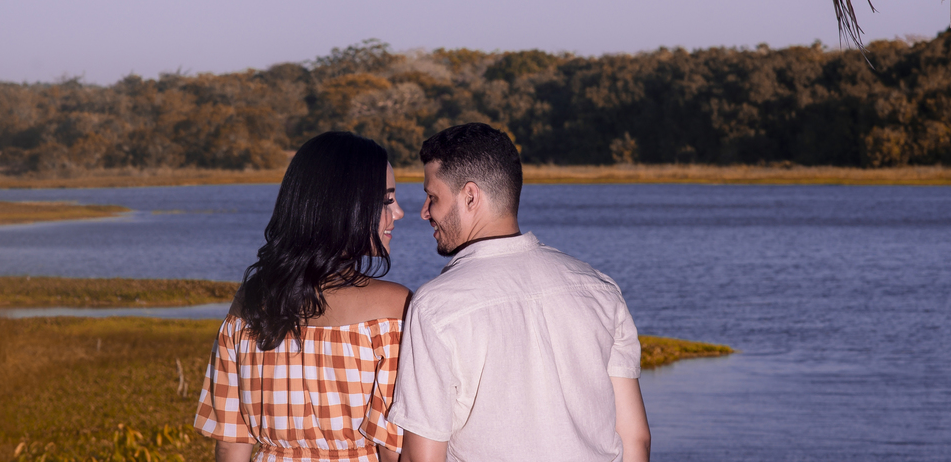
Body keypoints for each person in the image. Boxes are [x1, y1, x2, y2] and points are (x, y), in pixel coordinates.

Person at [388, 123, 650, 462]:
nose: (425, 212)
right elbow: (635, 440)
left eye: (432, 197)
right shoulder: (600, 289)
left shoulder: (435, 307)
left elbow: (421, 458)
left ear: (470, 196)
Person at [194, 131, 409, 462]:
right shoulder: (392, 308)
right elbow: (393, 449)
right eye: (385, 200)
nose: (399, 212)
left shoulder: (248, 303)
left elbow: (231, 444)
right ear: (345, 205)